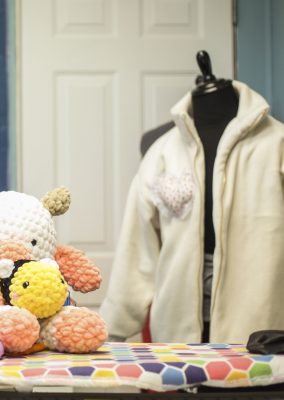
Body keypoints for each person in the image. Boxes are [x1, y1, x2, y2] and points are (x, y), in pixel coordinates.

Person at [99, 78, 284, 344]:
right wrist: (113, 330)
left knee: (257, 386)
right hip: (177, 335)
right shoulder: (162, 153)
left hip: (260, 331)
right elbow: (137, 248)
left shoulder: (276, 146)